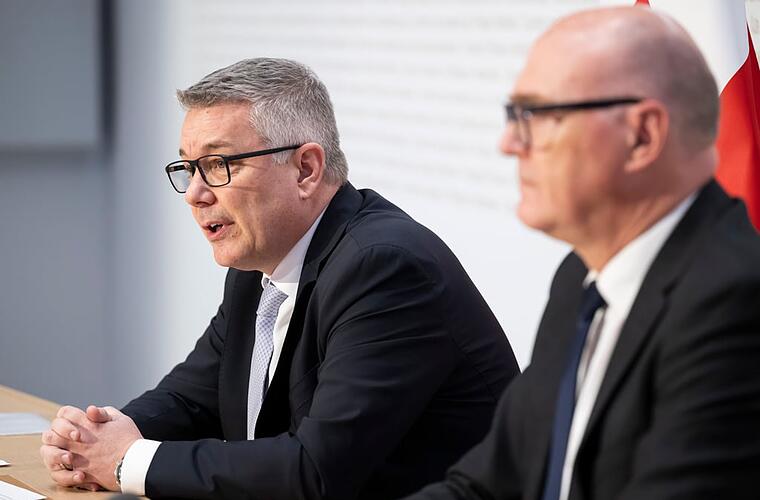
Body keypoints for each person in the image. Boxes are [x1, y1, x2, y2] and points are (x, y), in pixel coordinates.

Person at [38, 58, 519, 499]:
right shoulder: (258, 266)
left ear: (306, 169)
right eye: (188, 168)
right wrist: (94, 438)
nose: (195, 194)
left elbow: (317, 470)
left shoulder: (384, 268)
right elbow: (192, 398)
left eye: (219, 165)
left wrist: (127, 460)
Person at [405, 6, 760, 500]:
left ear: (642, 136)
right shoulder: (581, 274)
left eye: (537, 115)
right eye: (514, 115)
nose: (509, 143)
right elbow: (488, 483)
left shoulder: (735, 303)